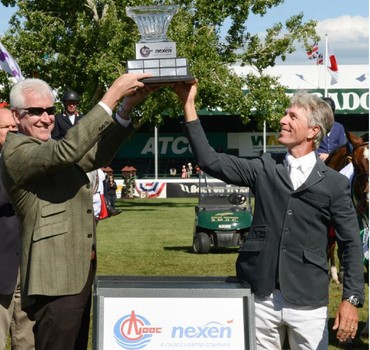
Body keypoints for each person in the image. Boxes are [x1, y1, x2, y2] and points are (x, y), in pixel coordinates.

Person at [174, 81, 365, 349]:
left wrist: (352, 299)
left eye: (292, 116)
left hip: (309, 301)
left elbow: (350, 245)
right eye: (285, 113)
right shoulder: (265, 166)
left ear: (313, 131)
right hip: (260, 296)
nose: (282, 119)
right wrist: (188, 105)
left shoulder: (335, 184)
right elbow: (210, 160)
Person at [0, 73, 153, 349]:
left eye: (49, 110)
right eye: (35, 111)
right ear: (16, 115)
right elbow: (68, 151)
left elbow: (96, 155)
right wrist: (112, 94)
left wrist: (125, 109)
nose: (46, 118)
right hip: (54, 278)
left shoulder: (49, 147)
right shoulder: (16, 151)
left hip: (78, 271)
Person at [0, 108, 35, 350]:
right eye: (6, 128)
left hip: (30, 267)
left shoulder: (28, 158)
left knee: (28, 342)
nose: (13, 132)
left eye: (15, 127)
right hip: (1, 267)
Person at [316, 96, 347, 161]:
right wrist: (318, 154)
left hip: (335, 161)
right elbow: (309, 147)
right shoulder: (315, 126)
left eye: (331, 111)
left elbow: (342, 147)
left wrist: (329, 155)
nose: (328, 114)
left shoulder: (339, 127)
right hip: (319, 159)